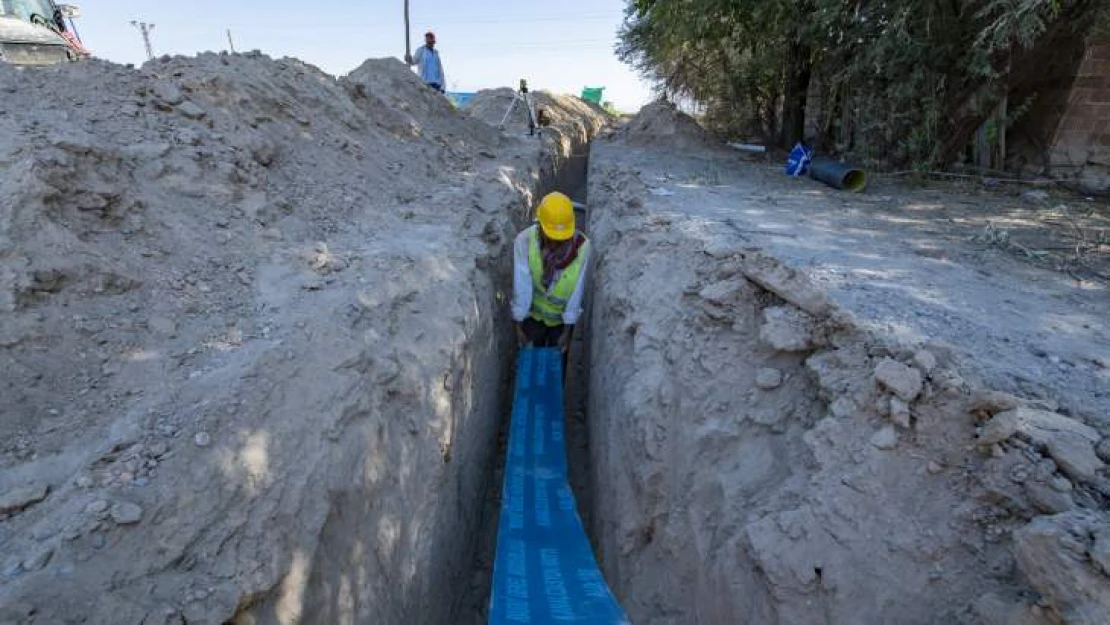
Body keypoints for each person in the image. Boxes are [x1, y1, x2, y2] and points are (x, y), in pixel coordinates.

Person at [511, 191, 590, 358]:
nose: (555, 243)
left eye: (561, 239)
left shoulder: (583, 248)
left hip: (561, 323)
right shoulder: (524, 241)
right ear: (541, 226)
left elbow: (577, 293)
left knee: (557, 361)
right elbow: (521, 286)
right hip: (532, 319)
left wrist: (568, 332)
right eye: (551, 238)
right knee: (530, 358)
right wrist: (518, 324)